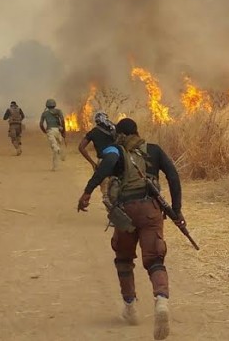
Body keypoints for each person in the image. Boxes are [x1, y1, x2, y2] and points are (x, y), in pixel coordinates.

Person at [76, 118, 184, 341]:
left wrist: (87, 192)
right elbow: (173, 176)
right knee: (155, 259)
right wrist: (176, 210)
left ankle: (130, 306)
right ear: (137, 132)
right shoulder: (153, 150)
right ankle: (161, 300)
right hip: (151, 210)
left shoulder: (115, 150)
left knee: (124, 259)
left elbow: (105, 165)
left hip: (125, 212)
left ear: (120, 135)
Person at [78, 111, 117, 194]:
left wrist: (92, 163)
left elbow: (81, 147)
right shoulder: (114, 129)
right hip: (117, 159)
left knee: (105, 191)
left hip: (103, 161)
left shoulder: (94, 132)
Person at [39, 98, 66, 171]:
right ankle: (55, 166)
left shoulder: (44, 113)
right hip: (58, 130)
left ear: (47, 105)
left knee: (55, 148)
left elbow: (41, 124)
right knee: (56, 147)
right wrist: (64, 131)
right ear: (54, 104)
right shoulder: (58, 111)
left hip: (50, 131)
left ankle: (59, 152)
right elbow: (63, 121)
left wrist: (44, 131)